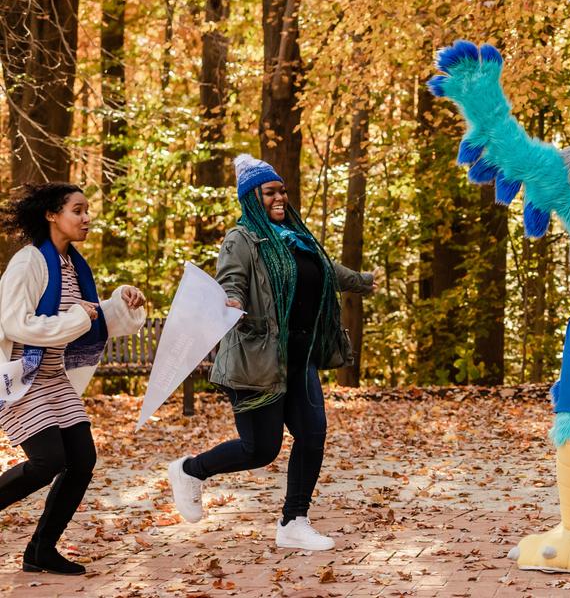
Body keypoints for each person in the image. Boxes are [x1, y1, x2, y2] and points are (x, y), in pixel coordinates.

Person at [167, 155, 375, 551]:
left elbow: (326, 270)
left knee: (313, 436)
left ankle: (294, 521)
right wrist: (230, 299)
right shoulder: (241, 238)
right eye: (269, 192)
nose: (279, 197)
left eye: (281, 190)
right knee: (260, 449)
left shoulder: (297, 237)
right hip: (257, 360)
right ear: (251, 199)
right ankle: (190, 470)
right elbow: (232, 279)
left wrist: (363, 282)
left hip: (300, 357)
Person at [0, 183, 146, 574]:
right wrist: (83, 315)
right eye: (77, 210)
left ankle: (40, 550)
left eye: (87, 210)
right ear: (52, 214)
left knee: (82, 461)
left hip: (52, 378)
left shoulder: (74, 266)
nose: (86, 218)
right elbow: (16, 323)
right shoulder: (29, 262)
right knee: (48, 460)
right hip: (21, 376)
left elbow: (88, 319)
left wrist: (121, 303)